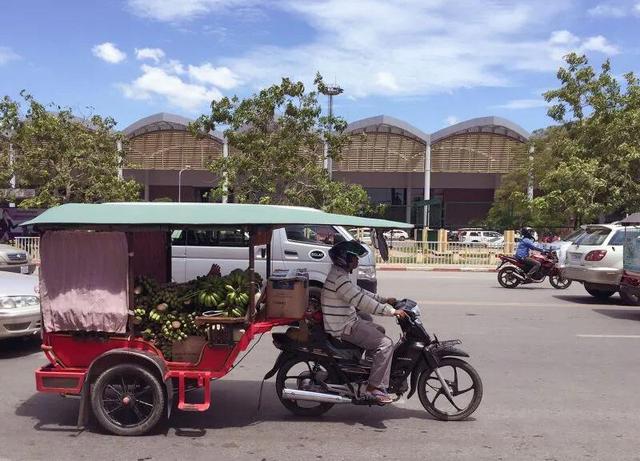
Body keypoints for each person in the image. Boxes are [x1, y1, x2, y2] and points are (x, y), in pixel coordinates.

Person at [321, 240, 407, 405]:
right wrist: (391, 311)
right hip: (343, 327)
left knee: (379, 329)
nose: (357, 261)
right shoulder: (340, 280)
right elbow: (361, 301)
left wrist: (384, 299)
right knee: (386, 344)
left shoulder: (339, 276)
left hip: (345, 321)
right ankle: (374, 387)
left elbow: (360, 292)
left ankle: (368, 369)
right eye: (353, 257)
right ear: (343, 259)